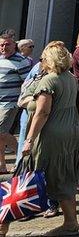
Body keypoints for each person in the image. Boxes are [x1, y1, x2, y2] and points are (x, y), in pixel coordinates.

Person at [5, 42, 79, 236]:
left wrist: (29, 139)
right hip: (71, 131)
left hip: (51, 135)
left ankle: (3, 223)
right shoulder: (71, 78)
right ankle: (71, 222)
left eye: (44, 58)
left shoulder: (49, 81)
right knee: (64, 176)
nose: (42, 61)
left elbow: (42, 112)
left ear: (50, 59)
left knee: (26, 176)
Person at [0, 35, 30, 174]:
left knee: (1, 132)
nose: (3, 47)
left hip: (10, 103)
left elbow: (28, 84)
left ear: (14, 45)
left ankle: (23, 155)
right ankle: (2, 165)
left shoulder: (21, 61)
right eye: (1, 45)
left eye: (7, 45)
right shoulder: (1, 59)